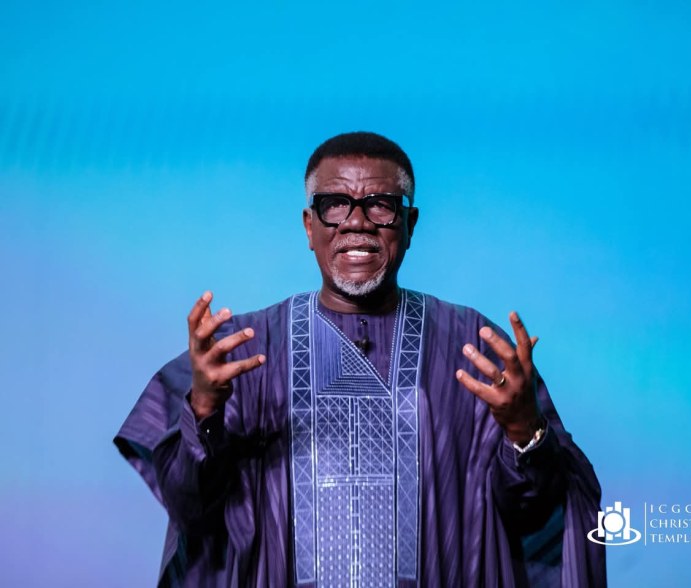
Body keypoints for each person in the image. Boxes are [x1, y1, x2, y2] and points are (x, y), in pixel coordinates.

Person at [115, 132, 606, 587]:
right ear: (310, 226)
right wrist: (203, 408)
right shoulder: (241, 352)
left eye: (380, 205)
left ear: (409, 224)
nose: (357, 222)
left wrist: (524, 431)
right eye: (334, 205)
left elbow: (539, 512)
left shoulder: (472, 347)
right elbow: (192, 507)